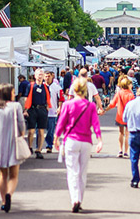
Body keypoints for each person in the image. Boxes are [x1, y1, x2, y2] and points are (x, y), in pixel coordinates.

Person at [54, 79, 103, 213]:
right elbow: (95, 124)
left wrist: (56, 137)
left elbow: (61, 123)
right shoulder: (91, 106)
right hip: (86, 141)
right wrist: (99, 140)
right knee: (82, 172)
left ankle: (74, 198)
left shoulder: (67, 105)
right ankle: (80, 199)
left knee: (72, 171)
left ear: (74, 90)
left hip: (71, 141)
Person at [0, 84, 26, 213]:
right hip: (13, 142)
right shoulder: (16, 106)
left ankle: (3, 201)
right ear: (8, 93)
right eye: (13, 92)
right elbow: (21, 123)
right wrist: (22, 134)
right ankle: (9, 194)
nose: (14, 94)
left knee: (3, 174)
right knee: (14, 176)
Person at [101, 77, 135, 157]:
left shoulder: (119, 93)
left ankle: (120, 150)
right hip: (129, 117)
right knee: (127, 134)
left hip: (120, 116)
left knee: (120, 133)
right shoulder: (131, 94)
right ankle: (126, 152)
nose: (131, 85)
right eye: (130, 84)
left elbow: (112, 104)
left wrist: (105, 110)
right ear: (127, 85)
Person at [23, 71, 50, 159]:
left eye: (41, 75)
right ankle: (30, 147)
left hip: (42, 109)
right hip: (32, 109)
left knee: (41, 131)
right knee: (31, 131)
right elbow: (26, 98)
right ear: (35, 76)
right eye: (38, 75)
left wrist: (47, 108)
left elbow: (48, 98)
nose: (40, 76)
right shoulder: (30, 86)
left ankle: (39, 150)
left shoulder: (45, 87)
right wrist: (25, 109)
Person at [45, 70, 63, 154]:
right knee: (39, 130)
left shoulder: (57, 87)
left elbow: (61, 99)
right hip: (42, 111)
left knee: (50, 130)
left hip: (52, 112)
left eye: (49, 76)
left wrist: (59, 107)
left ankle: (49, 145)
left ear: (52, 76)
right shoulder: (42, 86)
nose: (47, 78)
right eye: (46, 76)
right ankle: (38, 146)